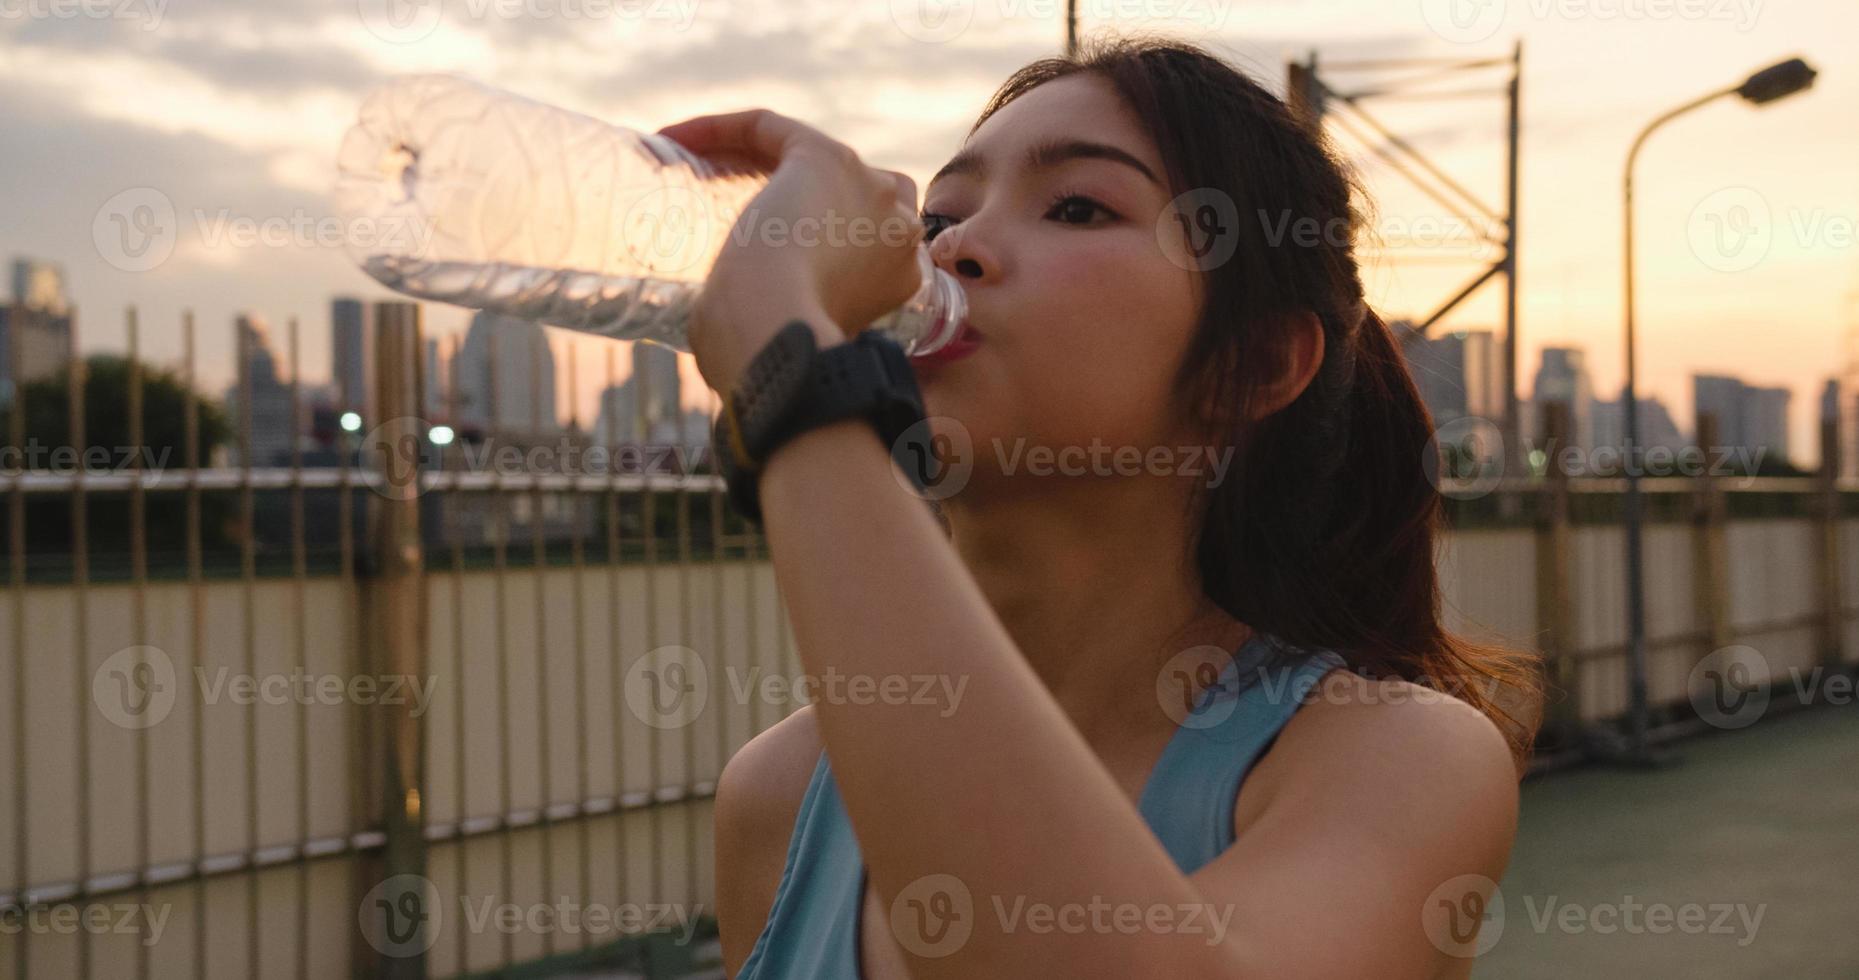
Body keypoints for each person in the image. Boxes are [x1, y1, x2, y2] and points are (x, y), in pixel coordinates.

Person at [656, 32, 1543, 980]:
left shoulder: (1390, 758)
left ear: (1254, 364)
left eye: (1076, 206)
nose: (952, 249)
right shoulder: (777, 796)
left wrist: (788, 382)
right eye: (934, 219)